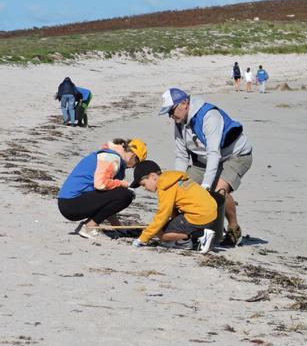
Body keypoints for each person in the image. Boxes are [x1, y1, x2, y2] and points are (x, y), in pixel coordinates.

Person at [159, 88, 252, 247]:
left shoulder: (209, 116)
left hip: (235, 155)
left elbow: (213, 152)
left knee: (217, 193)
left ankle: (231, 228)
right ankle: (185, 230)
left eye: (172, 110)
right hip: (203, 160)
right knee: (177, 192)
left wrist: (206, 185)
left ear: (185, 103)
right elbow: (181, 156)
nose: (171, 116)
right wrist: (178, 182)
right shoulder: (179, 122)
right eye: (168, 113)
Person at [57, 138, 148, 239]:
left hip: (68, 203)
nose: (133, 167)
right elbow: (100, 184)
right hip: (71, 203)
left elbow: (109, 202)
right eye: (137, 163)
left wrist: (118, 227)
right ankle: (90, 226)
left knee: (120, 192)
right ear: (133, 156)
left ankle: (89, 225)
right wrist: (121, 183)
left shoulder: (111, 155)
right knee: (127, 194)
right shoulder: (112, 158)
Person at [130, 160, 217, 254]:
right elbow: (172, 210)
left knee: (160, 233)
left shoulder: (164, 186)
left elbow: (163, 214)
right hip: (211, 212)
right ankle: (184, 242)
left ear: (153, 177)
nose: (144, 188)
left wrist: (143, 238)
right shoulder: (173, 179)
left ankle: (201, 234)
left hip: (198, 215)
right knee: (171, 224)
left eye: (144, 184)